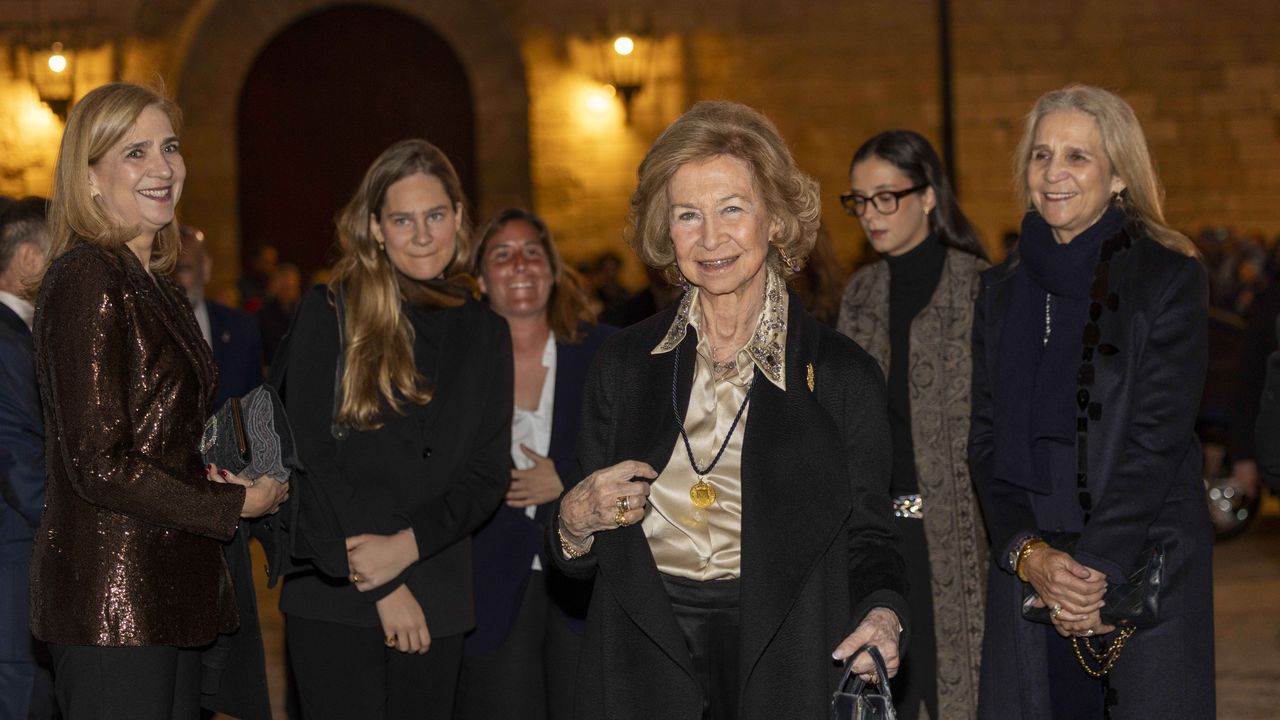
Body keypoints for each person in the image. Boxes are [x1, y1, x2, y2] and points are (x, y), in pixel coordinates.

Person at [549, 100, 909, 719]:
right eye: (688, 215)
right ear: (667, 233)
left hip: (785, 654)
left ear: (774, 220)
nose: (710, 238)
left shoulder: (843, 374)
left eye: (732, 209)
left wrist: (882, 613)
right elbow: (581, 558)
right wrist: (572, 523)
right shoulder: (624, 364)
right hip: (644, 654)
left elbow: (871, 533)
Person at [28, 81, 288, 719]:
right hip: (114, 606)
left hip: (167, 595)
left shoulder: (153, 284)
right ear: (88, 178)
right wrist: (231, 501)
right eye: (134, 153)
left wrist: (212, 470)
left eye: (169, 148)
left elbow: (156, 437)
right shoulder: (89, 276)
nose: (163, 168)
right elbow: (100, 462)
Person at [970, 85, 1213, 719]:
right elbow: (986, 439)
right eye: (1041, 155)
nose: (1054, 173)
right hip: (1033, 577)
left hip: (1140, 565)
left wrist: (1091, 570)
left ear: (1118, 177)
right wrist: (1032, 556)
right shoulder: (999, 289)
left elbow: (1157, 439)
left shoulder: (1168, 277)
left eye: (1078, 157)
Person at [278, 139, 513, 719]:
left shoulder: (486, 332)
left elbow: (486, 473)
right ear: (376, 229)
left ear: (458, 217)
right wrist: (381, 582)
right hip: (336, 588)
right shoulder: (329, 310)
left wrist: (404, 551)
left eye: (435, 216)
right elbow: (308, 452)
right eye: (403, 220)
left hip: (436, 583)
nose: (423, 234)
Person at [837, 129, 989, 720]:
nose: (870, 215)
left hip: (964, 537)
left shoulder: (978, 286)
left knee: (964, 695)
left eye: (885, 197)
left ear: (928, 196)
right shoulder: (860, 294)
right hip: (881, 535)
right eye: (858, 201)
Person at [455, 208, 615, 720]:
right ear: (480, 277)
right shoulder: (455, 361)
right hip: (486, 580)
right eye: (502, 254)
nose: (519, 264)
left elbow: (642, 453)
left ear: (551, 267)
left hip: (586, 582)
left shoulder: (605, 352)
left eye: (532, 252)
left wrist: (567, 483)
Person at [0, 196, 56, 720]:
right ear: (28, 260)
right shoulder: (6, 340)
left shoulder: (22, 335)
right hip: (14, 565)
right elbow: (18, 462)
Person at [175, 224, 264, 406]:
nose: (174, 279)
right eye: (164, 268)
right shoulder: (142, 331)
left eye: (184, 268)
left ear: (205, 269)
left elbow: (256, 412)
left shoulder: (242, 330)